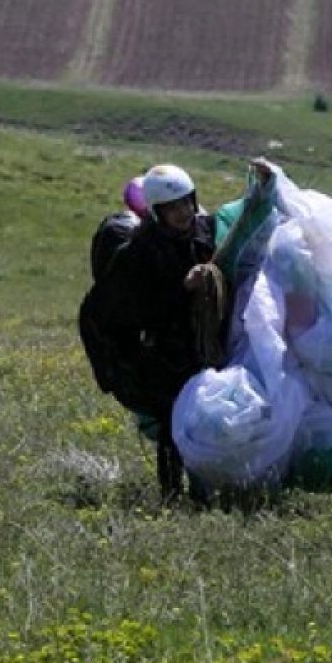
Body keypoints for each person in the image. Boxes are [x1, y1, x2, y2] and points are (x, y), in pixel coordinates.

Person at [91, 163, 222, 502]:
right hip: (159, 353)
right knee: (172, 422)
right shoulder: (141, 252)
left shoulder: (204, 232)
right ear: (156, 212)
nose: (183, 213)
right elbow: (139, 310)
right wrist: (184, 288)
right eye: (172, 208)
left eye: (186, 203)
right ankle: (172, 494)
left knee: (206, 415)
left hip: (198, 345)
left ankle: (206, 489)